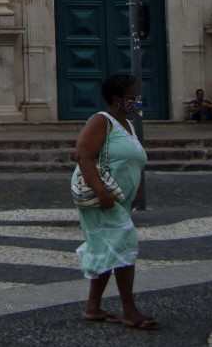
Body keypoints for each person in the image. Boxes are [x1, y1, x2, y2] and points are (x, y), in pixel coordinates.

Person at [73, 72, 157, 329]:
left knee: (109, 247)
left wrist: (138, 190)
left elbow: (132, 161)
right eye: (133, 97)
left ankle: (92, 308)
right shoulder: (102, 121)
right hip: (102, 197)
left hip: (118, 198)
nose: (138, 101)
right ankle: (130, 310)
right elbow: (83, 156)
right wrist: (101, 192)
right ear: (117, 98)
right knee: (124, 244)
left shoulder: (128, 126)